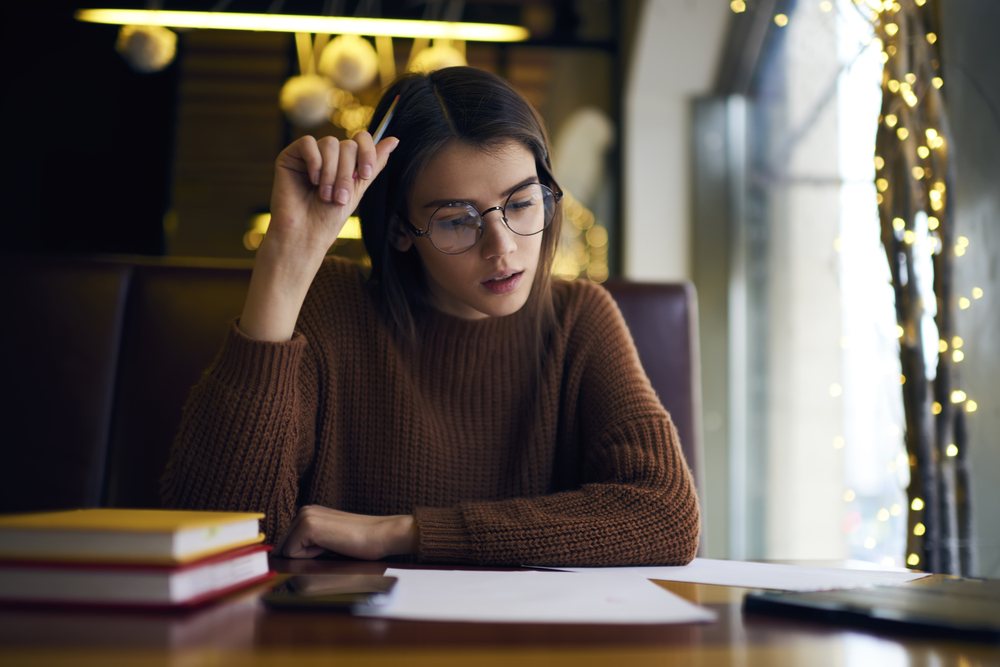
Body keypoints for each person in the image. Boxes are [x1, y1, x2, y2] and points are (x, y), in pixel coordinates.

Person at [161, 66, 700, 566]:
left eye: (520, 203)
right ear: (399, 229)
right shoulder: (333, 307)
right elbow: (219, 527)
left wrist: (403, 533)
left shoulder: (578, 318)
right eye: (457, 220)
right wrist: (288, 256)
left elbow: (667, 516)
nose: (502, 248)